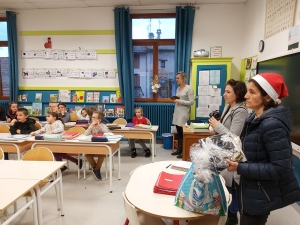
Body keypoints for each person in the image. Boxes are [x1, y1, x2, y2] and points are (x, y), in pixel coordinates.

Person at [226, 73, 300, 225]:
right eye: (248, 91)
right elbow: (254, 152)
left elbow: (281, 168)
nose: (246, 95)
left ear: (267, 97)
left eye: (252, 92)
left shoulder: (272, 125)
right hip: (249, 188)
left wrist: (241, 168)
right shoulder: (253, 118)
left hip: (259, 194)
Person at [209, 79, 249, 225]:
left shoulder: (241, 111)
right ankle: (227, 215)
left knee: (231, 189)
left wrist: (218, 126)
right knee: (224, 186)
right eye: (224, 91)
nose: (224, 94)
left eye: (228, 91)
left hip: (232, 156)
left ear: (237, 93)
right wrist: (215, 128)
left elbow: (233, 136)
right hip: (223, 153)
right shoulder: (228, 107)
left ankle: (232, 218)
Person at [171, 71, 194, 159]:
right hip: (177, 112)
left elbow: (191, 102)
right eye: (176, 78)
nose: (176, 79)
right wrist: (175, 100)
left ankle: (183, 151)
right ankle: (179, 150)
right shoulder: (178, 89)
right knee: (178, 133)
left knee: (183, 133)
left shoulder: (189, 89)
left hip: (184, 113)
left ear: (183, 78)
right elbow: (178, 100)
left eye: (178, 78)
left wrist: (179, 101)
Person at [85, 111, 109, 180]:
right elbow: (86, 134)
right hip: (91, 145)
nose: (93, 119)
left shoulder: (103, 125)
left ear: (99, 119)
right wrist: (91, 126)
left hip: (101, 145)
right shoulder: (91, 125)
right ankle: (95, 167)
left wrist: (100, 126)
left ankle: (97, 169)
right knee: (87, 154)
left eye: (95, 118)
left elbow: (107, 133)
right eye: (92, 117)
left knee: (102, 155)